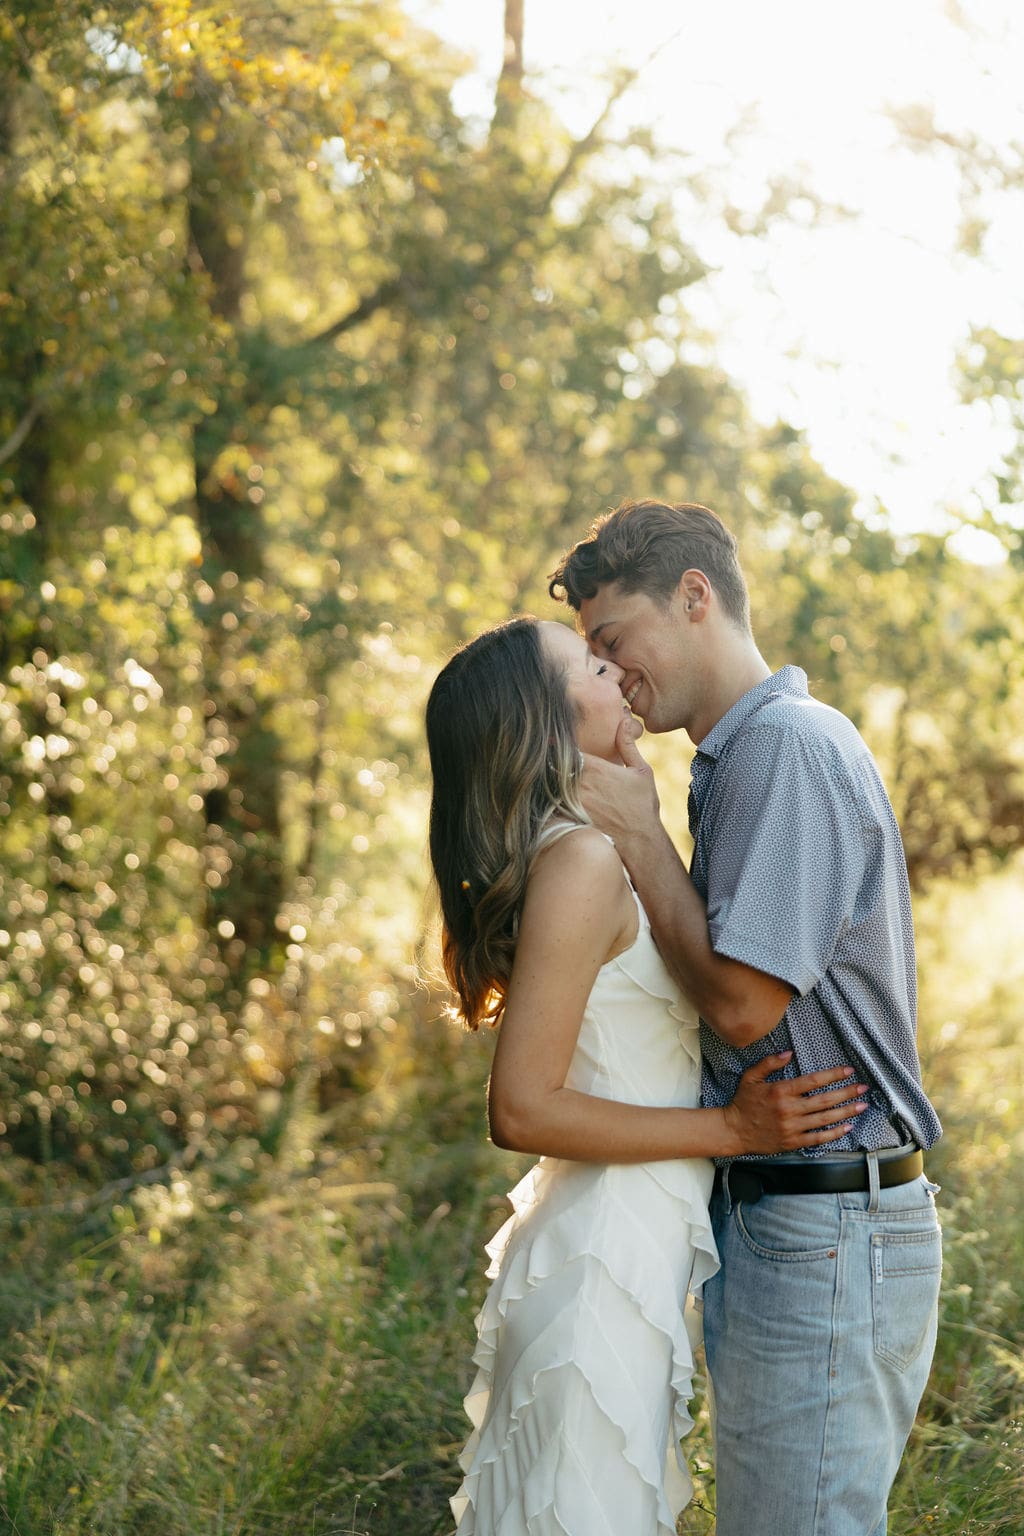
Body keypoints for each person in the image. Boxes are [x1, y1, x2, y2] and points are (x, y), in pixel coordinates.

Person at [549, 498, 943, 1536]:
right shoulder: (736, 759)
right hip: (796, 1218)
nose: (612, 671)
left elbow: (738, 1004)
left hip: (828, 1223)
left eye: (612, 642)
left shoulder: (784, 750)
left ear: (692, 598)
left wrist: (638, 838)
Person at [426, 615, 869, 1536]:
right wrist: (733, 1131)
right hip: (603, 1259)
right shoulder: (581, 861)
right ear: (541, 722)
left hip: (631, 1243)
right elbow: (521, 1105)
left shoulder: (593, 846)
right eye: (590, 664)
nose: (618, 672)